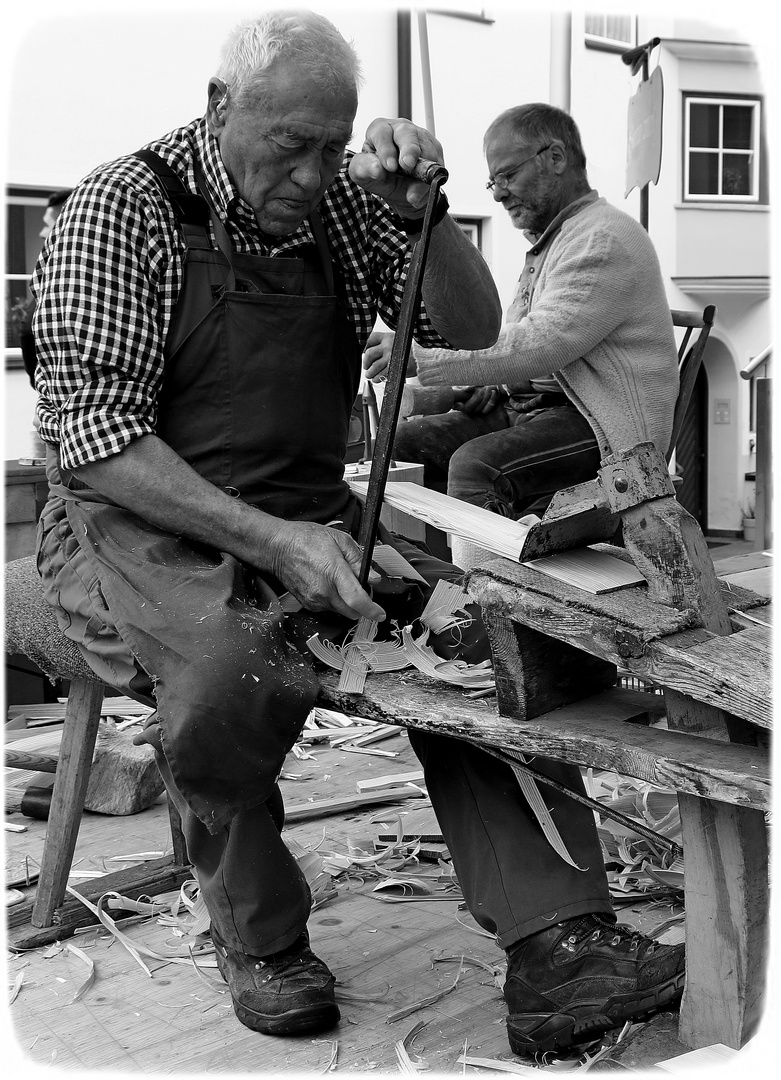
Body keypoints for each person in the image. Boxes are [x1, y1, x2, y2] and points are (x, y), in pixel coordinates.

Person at [31, 14, 683, 1059]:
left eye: (331, 148)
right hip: (129, 519)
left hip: (303, 508)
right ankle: (261, 937)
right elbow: (99, 441)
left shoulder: (340, 203)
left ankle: (560, 944)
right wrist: (278, 547)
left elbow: (466, 331)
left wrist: (425, 215)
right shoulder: (124, 210)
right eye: (289, 145)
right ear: (218, 107)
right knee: (225, 664)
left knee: (479, 643)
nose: (310, 173)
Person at [367, 103, 679, 525]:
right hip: (540, 410)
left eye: (508, 175)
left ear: (555, 158)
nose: (497, 193)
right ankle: (430, 569)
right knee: (408, 443)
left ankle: (488, 586)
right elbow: (520, 347)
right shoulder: (553, 240)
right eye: (492, 181)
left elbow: (541, 346)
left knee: (476, 467)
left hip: (605, 430)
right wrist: (492, 385)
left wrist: (418, 353)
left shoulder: (605, 237)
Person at [17, 188, 73, 386]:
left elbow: (27, 329)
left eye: (48, 225)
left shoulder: (62, 271)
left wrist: (38, 383)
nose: (41, 233)